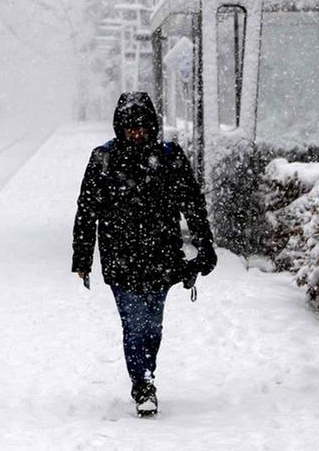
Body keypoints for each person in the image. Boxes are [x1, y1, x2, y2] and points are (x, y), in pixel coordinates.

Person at [71, 90, 216, 418]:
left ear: (152, 127)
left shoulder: (169, 157)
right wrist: (82, 257)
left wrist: (205, 246)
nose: (136, 134)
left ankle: (146, 370)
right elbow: (87, 210)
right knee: (135, 324)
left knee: (152, 326)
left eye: (142, 127)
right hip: (120, 257)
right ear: (119, 129)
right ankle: (143, 383)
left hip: (162, 256)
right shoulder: (103, 159)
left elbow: (192, 204)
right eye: (130, 128)